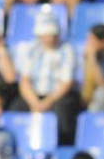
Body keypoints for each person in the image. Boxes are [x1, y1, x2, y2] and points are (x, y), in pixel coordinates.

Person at [10, 14, 80, 145]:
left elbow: (66, 83)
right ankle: (19, 143)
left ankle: (62, 146)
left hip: (57, 96)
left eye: (54, 34)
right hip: (34, 95)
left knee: (62, 110)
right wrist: (34, 102)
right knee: (16, 108)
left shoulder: (67, 50)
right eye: (47, 34)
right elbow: (24, 81)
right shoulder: (30, 49)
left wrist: (46, 102)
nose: (51, 38)